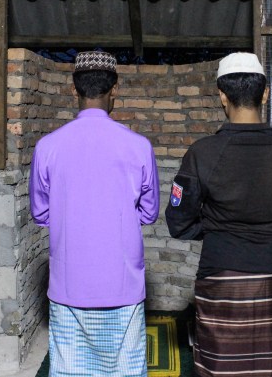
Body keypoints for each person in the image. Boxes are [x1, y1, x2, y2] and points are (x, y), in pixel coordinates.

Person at [165, 51, 272, 377]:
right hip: (269, 278)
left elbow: (178, 222)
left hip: (218, 277)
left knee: (218, 366)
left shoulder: (201, 153)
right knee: (264, 364)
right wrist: (270, 228)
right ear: (265, 93)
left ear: (221, 96)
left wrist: (217, 230)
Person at [29, 50, 160, 377]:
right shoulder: (138, 146)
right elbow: (149, 212)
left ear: (74, 90)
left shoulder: (47, 147)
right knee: (125, 369)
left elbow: (41, 213)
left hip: (69, 284)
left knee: (71, 368)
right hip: (123, 284)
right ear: (114, 89)